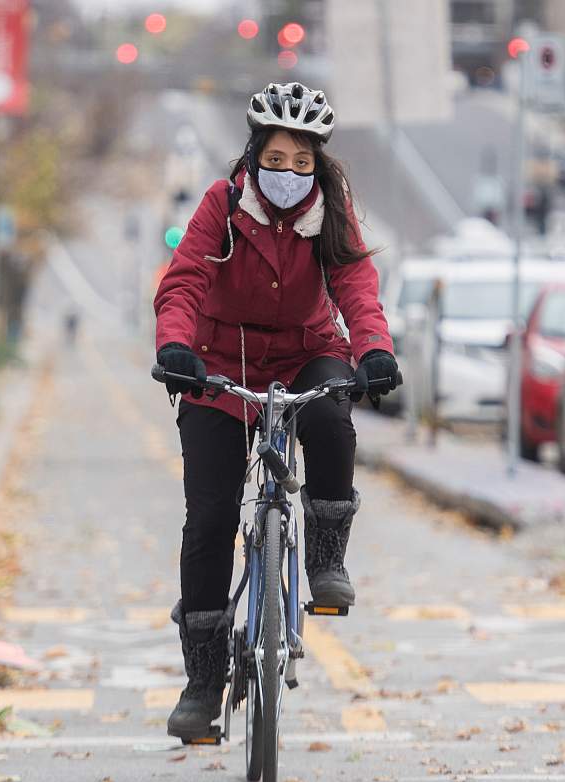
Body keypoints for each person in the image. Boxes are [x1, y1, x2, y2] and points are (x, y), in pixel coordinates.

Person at [152, 82, 401, 739]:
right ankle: (203, 686)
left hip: (305, 355)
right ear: (254, 155)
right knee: (208, 521)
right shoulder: (223, 203)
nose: (287, 173)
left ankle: (325, 560)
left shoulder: (332, 210)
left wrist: (373, 349)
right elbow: (185, 279)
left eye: (301, 162)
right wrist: (175, 345)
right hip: (216, 365)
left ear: (317, 165)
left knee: (330, 417)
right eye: (276, 159)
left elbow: (355, 284)